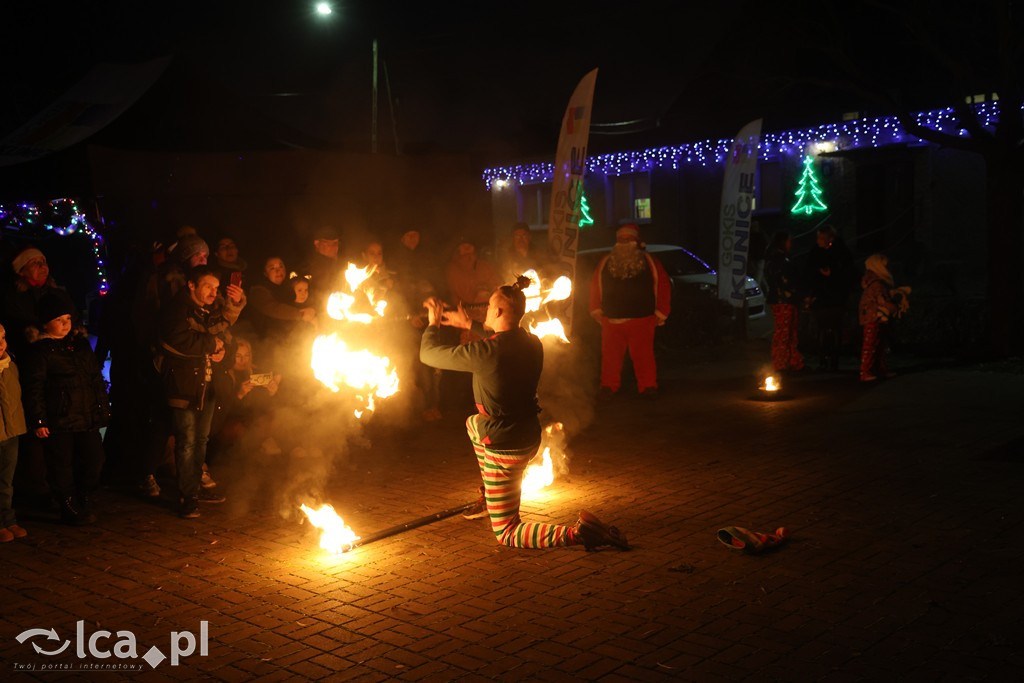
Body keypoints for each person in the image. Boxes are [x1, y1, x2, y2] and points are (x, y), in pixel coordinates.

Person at [420, 277, 629, 551]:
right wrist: (469, 324)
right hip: (528, 434)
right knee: (473, 423)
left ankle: (580, 534)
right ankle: (490, 495)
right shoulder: (532, 342)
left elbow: (428, 354)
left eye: (489, 307)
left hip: (505, 445)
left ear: (497, 311)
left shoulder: (486, 353)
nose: (485, 311)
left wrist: (433, 323)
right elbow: (502, 341)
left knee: (507, 532)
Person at [157, 265, 245, 518]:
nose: (213, 292)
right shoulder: (177, 309)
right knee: (186, 441)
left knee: (201, 440)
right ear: (192, 285)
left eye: (216, 288)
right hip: (184, 384)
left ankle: (194, 487)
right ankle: (188, 496)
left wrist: (222, 351)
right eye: (207, 286)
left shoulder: (212, 310)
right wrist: (210, 344)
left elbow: (224, 334)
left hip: (208, 385)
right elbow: (177, 339)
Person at [23, 295, 110, 525]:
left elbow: (95, 379)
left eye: (68, 318)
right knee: (61, 464)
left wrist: (102, 409)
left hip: (86, 416)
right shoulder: (41, 351)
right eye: (59, 319)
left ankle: (83, 494)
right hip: (59, 419)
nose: (65, 324)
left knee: (95, 459)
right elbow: (34, 387)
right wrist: (39, 420)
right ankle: (68, 504)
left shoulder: (80, 346)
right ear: (45, 323)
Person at [588, 224, 671, 396]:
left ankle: (648, 386)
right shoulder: (606, 262)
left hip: (642, 319)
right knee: (610, 357)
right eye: (621, 239)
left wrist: (661, 311)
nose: (625, 242)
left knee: (643, 356)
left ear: (636, 241)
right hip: (611, 319)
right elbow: (595, 285)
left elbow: (662, 284)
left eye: (628, 239)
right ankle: (608, 386)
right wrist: (596, 310)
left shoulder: (650, 261)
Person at [802, 225, 855, 371]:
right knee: (822, 328)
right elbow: (809, 271)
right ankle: (823, 359)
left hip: (836, 296)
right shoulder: (815, 252)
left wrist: (833, 274)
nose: (818, 240)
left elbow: (848, 272)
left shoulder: (841, 252)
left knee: (835, 328)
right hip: (820, 297)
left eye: (821, 238)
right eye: (818, 238)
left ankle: (834, 359)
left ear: (829, 239)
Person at [0, 323, 29, 541]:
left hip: (10, 431)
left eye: (2, 338)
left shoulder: (11, 366)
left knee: (6, 480)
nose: (0, 344)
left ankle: (8, 519)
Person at [764, 231, 805, 373]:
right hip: (783, 300)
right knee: (784, 332)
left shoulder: (775, 258)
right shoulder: (780, 259)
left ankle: (791, 360)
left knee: (789, 332)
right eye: (789, 241)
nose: (791, 244)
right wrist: (789, 291)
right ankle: (781, 362)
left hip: (783, 299)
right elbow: (780, 278)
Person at [858, 254, 899, 382]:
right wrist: (893, 307)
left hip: (875, 317)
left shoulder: (874, 282)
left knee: (879, 345)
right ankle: (866, 371)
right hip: (874, 317)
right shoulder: (877, 284)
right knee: (871, 345)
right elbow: (882, 300)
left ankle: (879, 369)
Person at [301, 225, 344, 305]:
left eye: (335, 243)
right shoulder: (308, 267)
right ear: (317, 244)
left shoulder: (342, 265)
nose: (333, 247)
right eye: (328, 244)